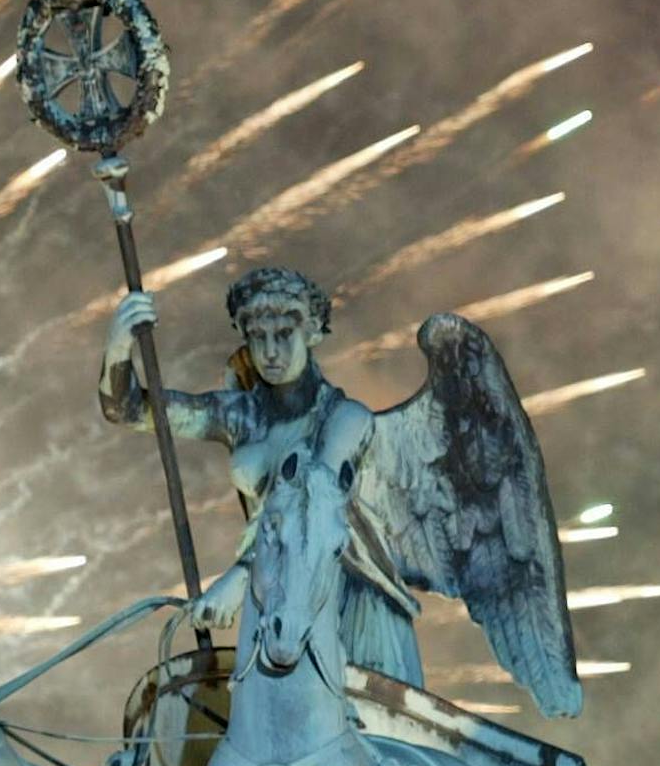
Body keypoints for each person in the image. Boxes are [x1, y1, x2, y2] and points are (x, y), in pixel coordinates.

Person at [100, 267, 423, 687]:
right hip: (275, 598)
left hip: (348, 606)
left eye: (284, 335)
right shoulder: (242, 416)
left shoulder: (344, 420)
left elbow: (307, 506)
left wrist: (239, 577)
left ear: (313, 333)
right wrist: (119, 346)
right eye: (257, 337)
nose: (270, 352)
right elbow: (129, 410)